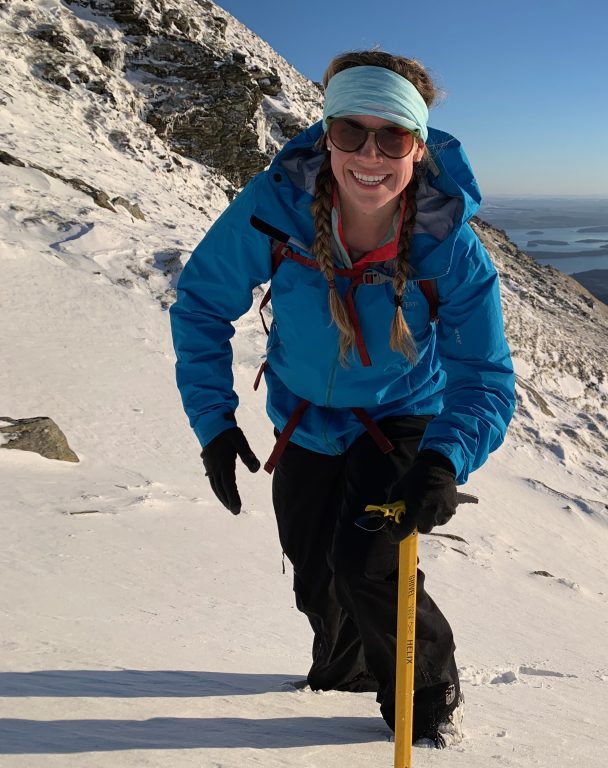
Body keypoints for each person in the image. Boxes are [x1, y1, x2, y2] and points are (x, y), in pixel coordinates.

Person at [169, 49, 516, 748]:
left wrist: (445, 460)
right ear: (325, 134)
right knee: (314, 573)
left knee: (369, 567)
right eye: (351, 132)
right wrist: (213, 421)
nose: (370, 153)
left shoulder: (449, 245)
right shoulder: (275, 211)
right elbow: (202, 304)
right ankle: (346, 670)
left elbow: (484, 376)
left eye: (392, 136)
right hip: (303, 418)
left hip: (401, 416)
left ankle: (423, 701)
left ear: (417, 148)